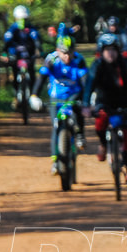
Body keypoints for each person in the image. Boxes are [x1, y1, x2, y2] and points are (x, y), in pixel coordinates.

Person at [82, 33, 127, 188]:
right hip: (103, 103)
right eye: (106, 50)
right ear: (101, 51)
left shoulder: (126, 64)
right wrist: (86, 105)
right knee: (100, 123)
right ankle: (103, 144)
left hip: (124, 103)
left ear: (118, 51)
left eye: (113, 49)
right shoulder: (97, 65)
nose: (110, 53)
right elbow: (89, 86)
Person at [31, 34, 89, 175]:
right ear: (57, 50)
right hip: (56, 97)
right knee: (56, 126)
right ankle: (56, 161)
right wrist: (34, 95)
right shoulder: (51, 60)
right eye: (64, 53)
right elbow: (42, 78)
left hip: (74, 94)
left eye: (70, 53)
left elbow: (85, 81)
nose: (67, 57)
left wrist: (88, 98)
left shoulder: (79, 60)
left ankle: (80, 134)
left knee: (78, 108)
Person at [1, 4, 41, 105]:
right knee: (15, 75)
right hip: (16, 57)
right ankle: (16, 97)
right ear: (15, 18)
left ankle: (33, 96)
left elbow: (37, 41)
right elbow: (7, 42)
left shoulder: (31, 29)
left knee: (32, 75)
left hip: (29, 57)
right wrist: (4, 54)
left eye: (24, 18)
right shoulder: (12, 29)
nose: (22, 20)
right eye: (20, 18)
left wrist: (40, 51)